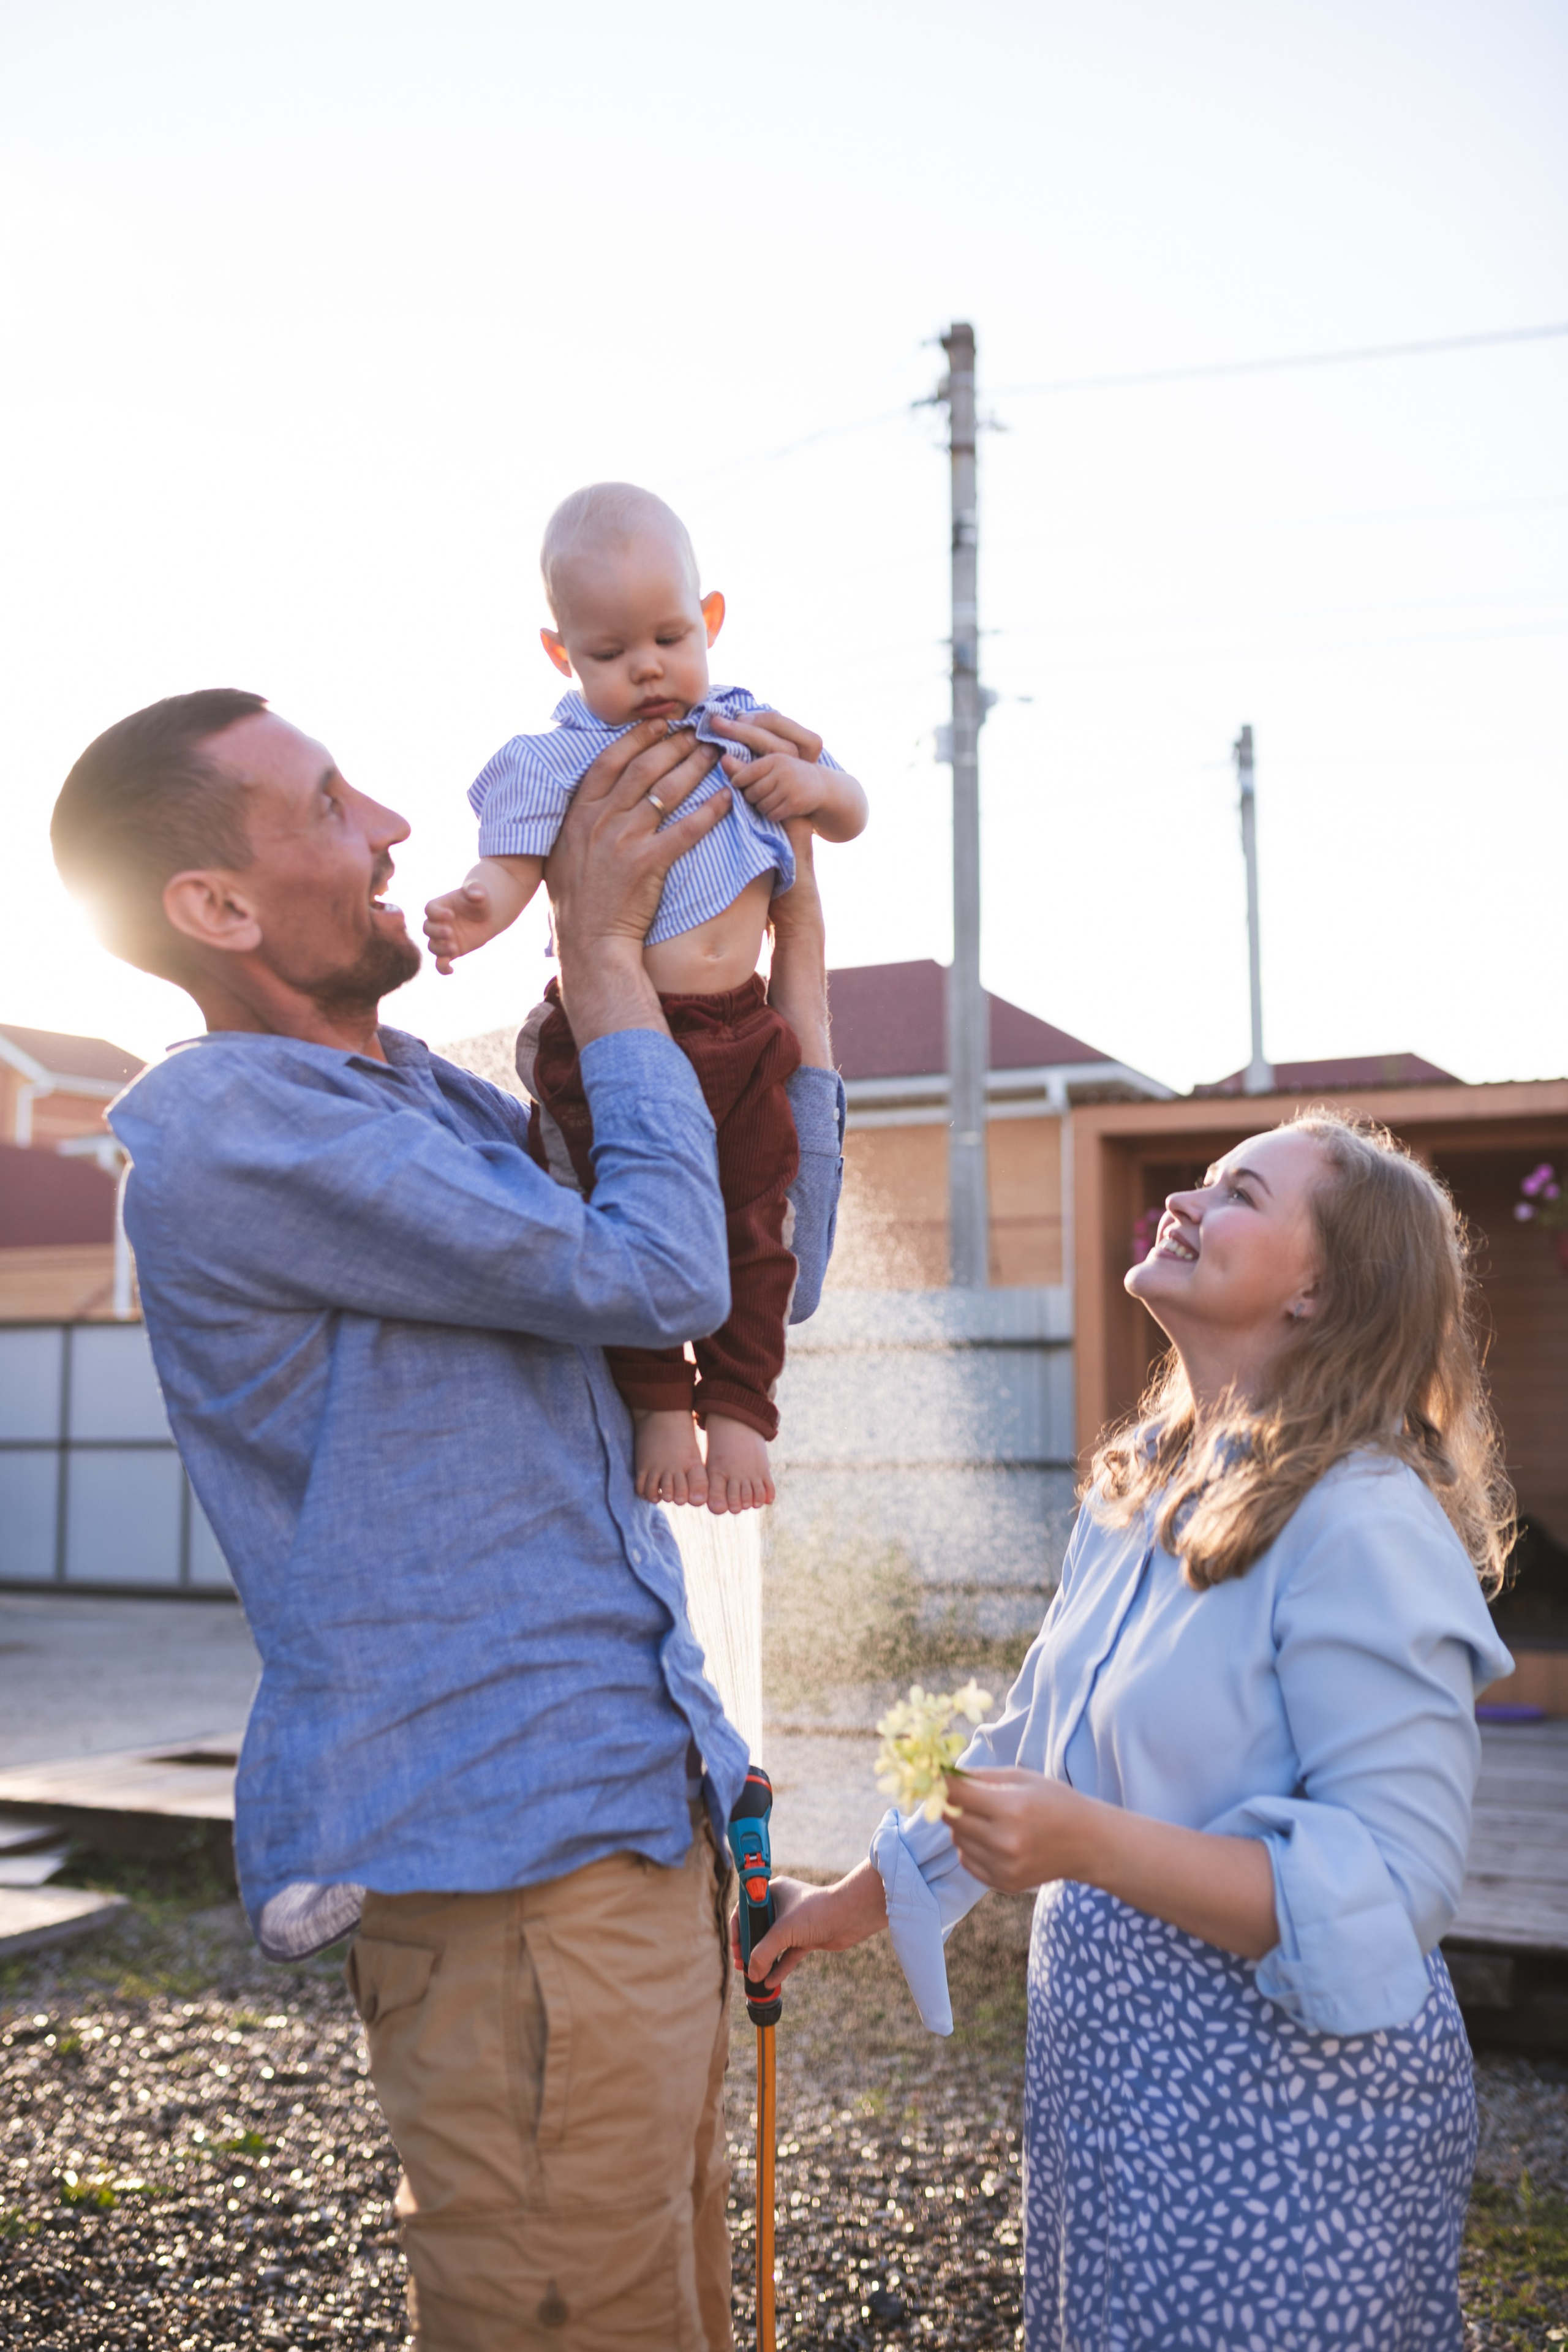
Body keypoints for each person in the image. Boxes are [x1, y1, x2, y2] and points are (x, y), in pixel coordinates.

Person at [50, 687, 846, 2352]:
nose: (401, 830)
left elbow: (751, 1260)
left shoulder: (439, 1105)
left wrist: (770, 977)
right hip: (514, 1873)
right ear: (218, 908)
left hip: (624, 1824)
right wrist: (611, 957)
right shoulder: (238, 1133)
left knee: (665, 2312)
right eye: (332, 805)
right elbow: (655, 1269)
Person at [745, 1111, 1514, 2351]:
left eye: (1240, 1195)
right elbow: (1034, 1747)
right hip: (1116, 2085)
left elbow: (1393, 1883)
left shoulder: (1362, 1518)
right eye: (1201, 1183)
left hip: (1288, 2121)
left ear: (1321, 1287)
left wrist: (1088, 1847)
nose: (1187, 1203)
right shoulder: (1146, 1484)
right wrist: (847, 1903)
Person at [423, 482, 869, 1517]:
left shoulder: (749, 730)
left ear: (710, 621)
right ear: (560, 655)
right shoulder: (561, 761)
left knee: (757, 1221)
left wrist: (815, 792)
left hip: (747, 1031)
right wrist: (469, 911)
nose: (649, 668)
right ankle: (662, 1397)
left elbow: (850, 806)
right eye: (611, 653)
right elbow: (511, 872)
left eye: (670, 637)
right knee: (614, 1217)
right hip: (618, 1037)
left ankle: (745, 1408)